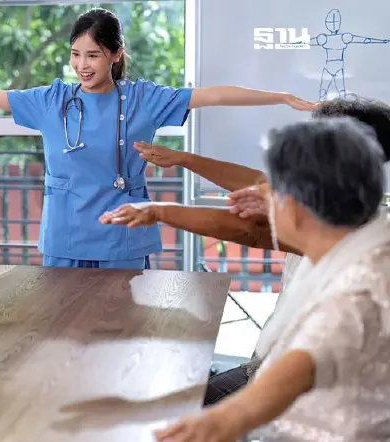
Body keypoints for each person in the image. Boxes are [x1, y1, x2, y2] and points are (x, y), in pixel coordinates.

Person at [0, 7, 317, 270]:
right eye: (75, 54)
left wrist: (279, 96)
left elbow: (215, 94)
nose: (82, 65)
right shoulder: (52, 100)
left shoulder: (145, 99)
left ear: (115, 55)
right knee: (64, 330)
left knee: (121, 335)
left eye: (93, 55)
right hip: (65, 237)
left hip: (123, 236)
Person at [100, 96, 390, 405]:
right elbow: (258, 191)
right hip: (272, 372)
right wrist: (181, 167)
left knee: (173, 410)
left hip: (298, 393)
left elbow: (251, 229)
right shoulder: (347, 212)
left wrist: (161, 212)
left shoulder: (347, 233)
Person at [154, 117, 390, 442]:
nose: (267, 200)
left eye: (274, 192)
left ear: (295, 208)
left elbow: (303, 361)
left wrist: (223, 421)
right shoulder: (371, 241)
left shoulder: (355, 294)